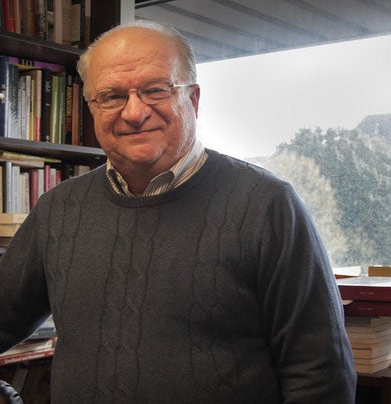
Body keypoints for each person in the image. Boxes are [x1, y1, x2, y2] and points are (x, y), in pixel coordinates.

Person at [0, 20, 356, 403]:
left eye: (155, 90)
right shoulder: (59, 208)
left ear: (194, 99)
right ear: (91, 108)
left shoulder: (267, 204)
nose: (134, 112)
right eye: (112, 96)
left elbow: (321, 372)